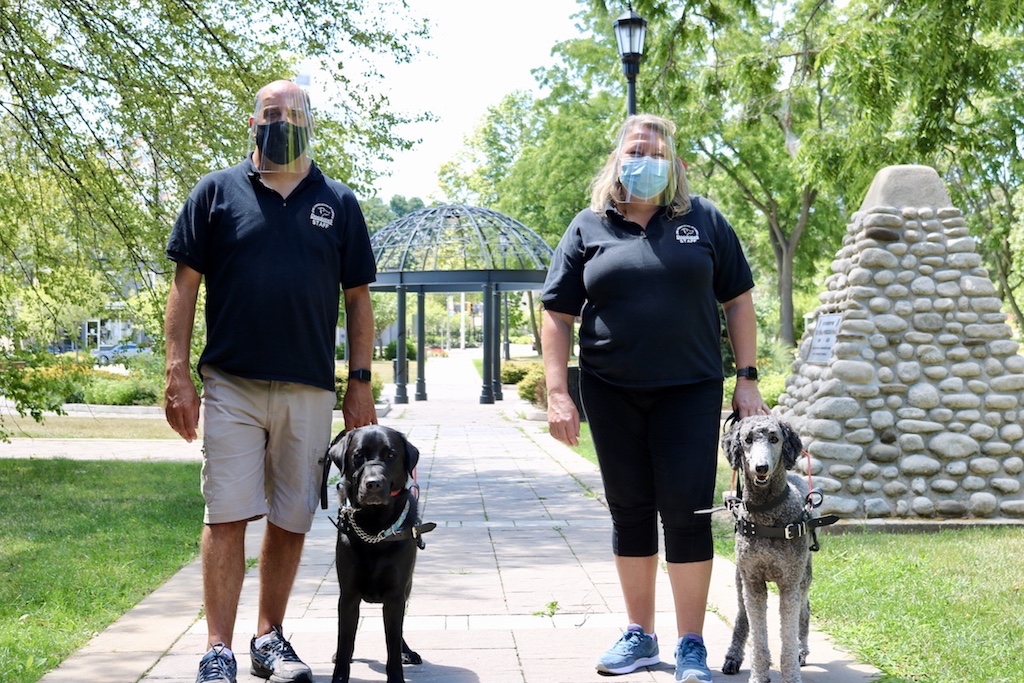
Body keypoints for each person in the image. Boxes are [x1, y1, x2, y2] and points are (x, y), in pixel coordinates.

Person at [540, 113, 768, 683]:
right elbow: (557, 313)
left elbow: (738, 300)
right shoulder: (588, 226)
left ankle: (692, 644)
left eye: (656, 152)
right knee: (631, 512)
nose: (644, 160)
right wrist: (557, 392)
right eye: (635, 150)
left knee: (688, 515)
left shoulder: (704, 220)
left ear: (674, 164)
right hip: (611, 393)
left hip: (689, 393)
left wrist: (747, 377)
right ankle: (640, 635)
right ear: (617, 160)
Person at [164, 79, 378, 683]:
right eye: (272, 112)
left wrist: (357, 380)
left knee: (291, 517)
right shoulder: (215, 193)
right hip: (230, 383)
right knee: (226, 513)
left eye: (295, 113)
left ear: (311, 124)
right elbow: (184, 287)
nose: (283, 121)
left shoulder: (338, 201)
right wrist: (176, 371)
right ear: (253, 122)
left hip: (309, 387)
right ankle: (217, 649)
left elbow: (358, 299)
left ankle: (269, 638)